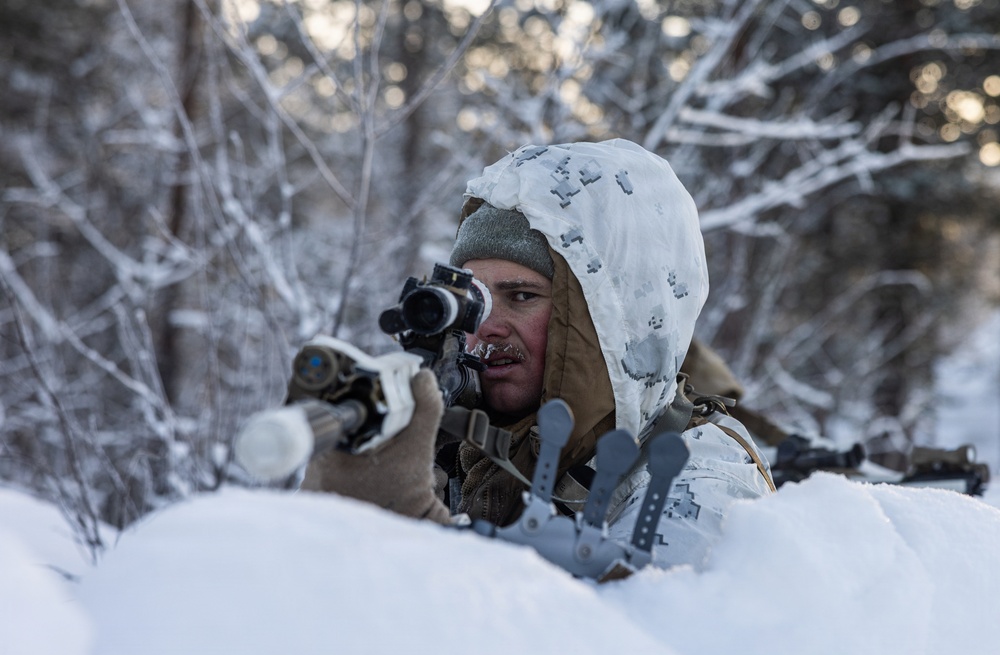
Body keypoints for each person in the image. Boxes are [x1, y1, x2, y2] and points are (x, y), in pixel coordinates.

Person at [301, 139, 775, 570]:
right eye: (476, 299)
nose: (484, 327)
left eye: (521, 296)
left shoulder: (699, 489)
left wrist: (422, 532)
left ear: (609, 319)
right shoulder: (470, 447)